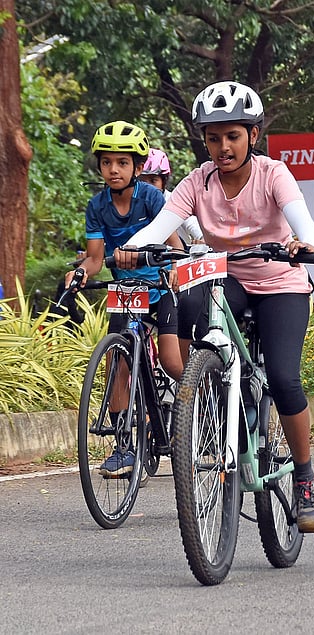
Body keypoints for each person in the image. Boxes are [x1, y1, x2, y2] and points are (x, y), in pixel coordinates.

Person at [119, 81, 314, 533]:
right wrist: (132, 249)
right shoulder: (198, 181)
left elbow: (303, 222)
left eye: (232, 136)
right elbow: (161, 226)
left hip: (280, 282)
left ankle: (306, 478)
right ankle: (221, 399)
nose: (222, 147)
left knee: (284, 377)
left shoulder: (273, 174)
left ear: (252, 135)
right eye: (213, 138)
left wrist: (302, 243)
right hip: (227, 280)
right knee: (193, 320)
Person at [67, 121, 184, 478]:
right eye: (106, 162)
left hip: (159, 289)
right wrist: (82, 273)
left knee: (172, 361)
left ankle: (203, 406)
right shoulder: (96, 206)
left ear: (137, 166)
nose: (113, 169)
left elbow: (174, 246)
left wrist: (174, 269)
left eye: (122, 162)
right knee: (116, 362)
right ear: (99, 166)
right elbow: (95, 257)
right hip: (124, 293)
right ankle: (124, 447)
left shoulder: (152, 198)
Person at [138, 147, 204, 244]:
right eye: (142, 181)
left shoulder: (175, 200)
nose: (148, 187)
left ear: (163, 182)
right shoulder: (129, 204)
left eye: (153, 181)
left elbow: (192, 224)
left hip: (177, 256)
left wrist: (202, 238)